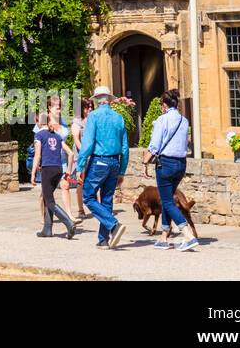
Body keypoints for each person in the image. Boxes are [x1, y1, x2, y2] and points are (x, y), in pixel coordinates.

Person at [75, 86, 130, 249]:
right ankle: (103, 239)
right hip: (115, 162)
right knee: (106, 200)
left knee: (88, 197)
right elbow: (125, 147)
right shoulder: (119, 118)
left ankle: (114, 225)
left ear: (96, 101)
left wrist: (80, 165)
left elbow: (87, 143)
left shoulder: (93, 116)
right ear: (110, 100)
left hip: (99, 161)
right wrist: (122, 170)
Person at [143, 88, 198, 251]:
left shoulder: (162, 120)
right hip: (181, 164)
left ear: (165, 105)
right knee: (167, 199)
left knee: (167, 201)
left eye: (161, 104)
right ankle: (164, 236)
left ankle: (187, 235)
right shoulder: (184, 120)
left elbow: (154, 145)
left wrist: (144, 163)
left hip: (165, 164)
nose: (161, 107)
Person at [32, 112, 77, 239]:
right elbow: (71, 153)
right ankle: (47, 228)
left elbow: (38, 155)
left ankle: (69, 223)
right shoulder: (57, 136)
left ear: (39, 122)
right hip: (58, 170)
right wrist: (68, 170)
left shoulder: (39, 135)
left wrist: (33, 173)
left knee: (50, 201)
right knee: (48, 197)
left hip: (47, 169)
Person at [64, 97, 92, 220]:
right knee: (81, 182)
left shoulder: (93, 119)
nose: (90, 109)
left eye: (91, 106)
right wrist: (86, 153)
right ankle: (81, 209)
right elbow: (76, 140)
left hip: (93, 154)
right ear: (82, 108)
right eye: (87, 107)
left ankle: (99, 207)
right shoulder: (77, 122)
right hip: (81, 155)